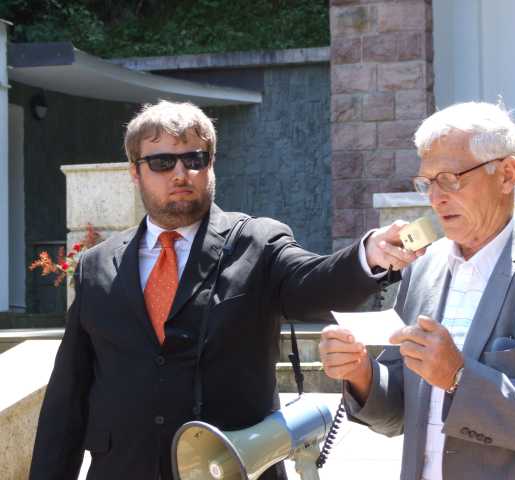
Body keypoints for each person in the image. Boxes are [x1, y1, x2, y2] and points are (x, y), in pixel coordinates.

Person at [29, 100, 420, 480]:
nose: (181, 173)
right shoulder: (96, 265)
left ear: (211, 164)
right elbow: (68, 398)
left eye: (194, 159)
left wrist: (368, 255)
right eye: (162, 162)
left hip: (233, 469)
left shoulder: (257, 243)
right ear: (135, 172)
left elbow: (316, 282)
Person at [319, 102, 515, 480]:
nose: (435, 197)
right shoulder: (423, 268)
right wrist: (361, 373)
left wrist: (459, 377)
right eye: (427, 183)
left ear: (506, 175)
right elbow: (402, 410)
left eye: (450, 178)